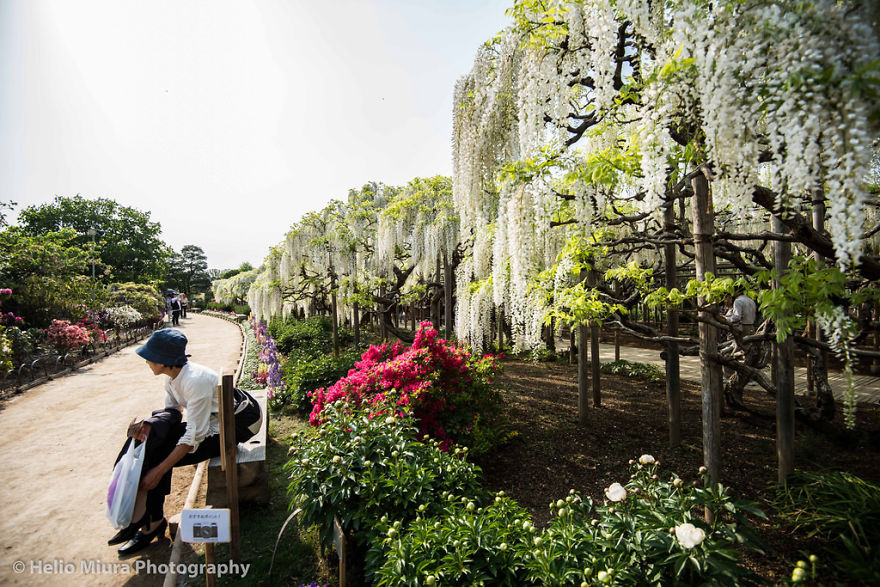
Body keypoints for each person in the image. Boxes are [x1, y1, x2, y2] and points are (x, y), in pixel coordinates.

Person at [108, 329, 261, 556]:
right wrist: (147, 426)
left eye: (150, 356)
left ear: (165, 360)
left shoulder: (193, 381)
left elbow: (192, 438)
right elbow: (172, 414)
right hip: (216, 417)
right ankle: (148, 520)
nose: (147, 361)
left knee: (158, 458)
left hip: (239, 422)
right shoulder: (173, 379)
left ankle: (150, 523)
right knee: (151, 443)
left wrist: (158, 472)